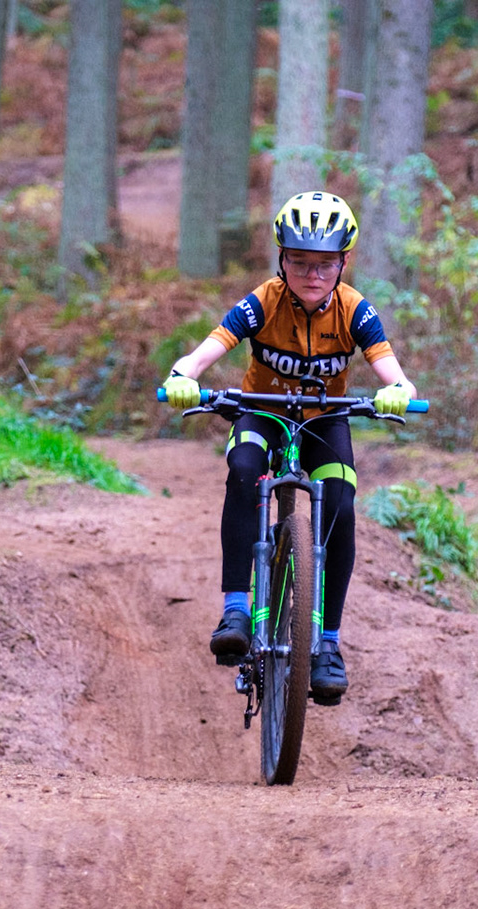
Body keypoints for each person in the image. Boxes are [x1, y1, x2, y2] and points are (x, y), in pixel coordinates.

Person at [159, 191, 417, 706]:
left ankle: (327, 645)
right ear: (282, 260)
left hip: (325, 421)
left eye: (325, 264)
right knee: (244, 469)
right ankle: (236, 610)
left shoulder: (355, 311)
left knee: (340, 504)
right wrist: (183, 375)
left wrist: (398, 392)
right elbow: (210, 347)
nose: (312, 275)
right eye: (299, 262)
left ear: (343, 263)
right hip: (262, 411)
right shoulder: (264, 301)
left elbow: (395, 375)